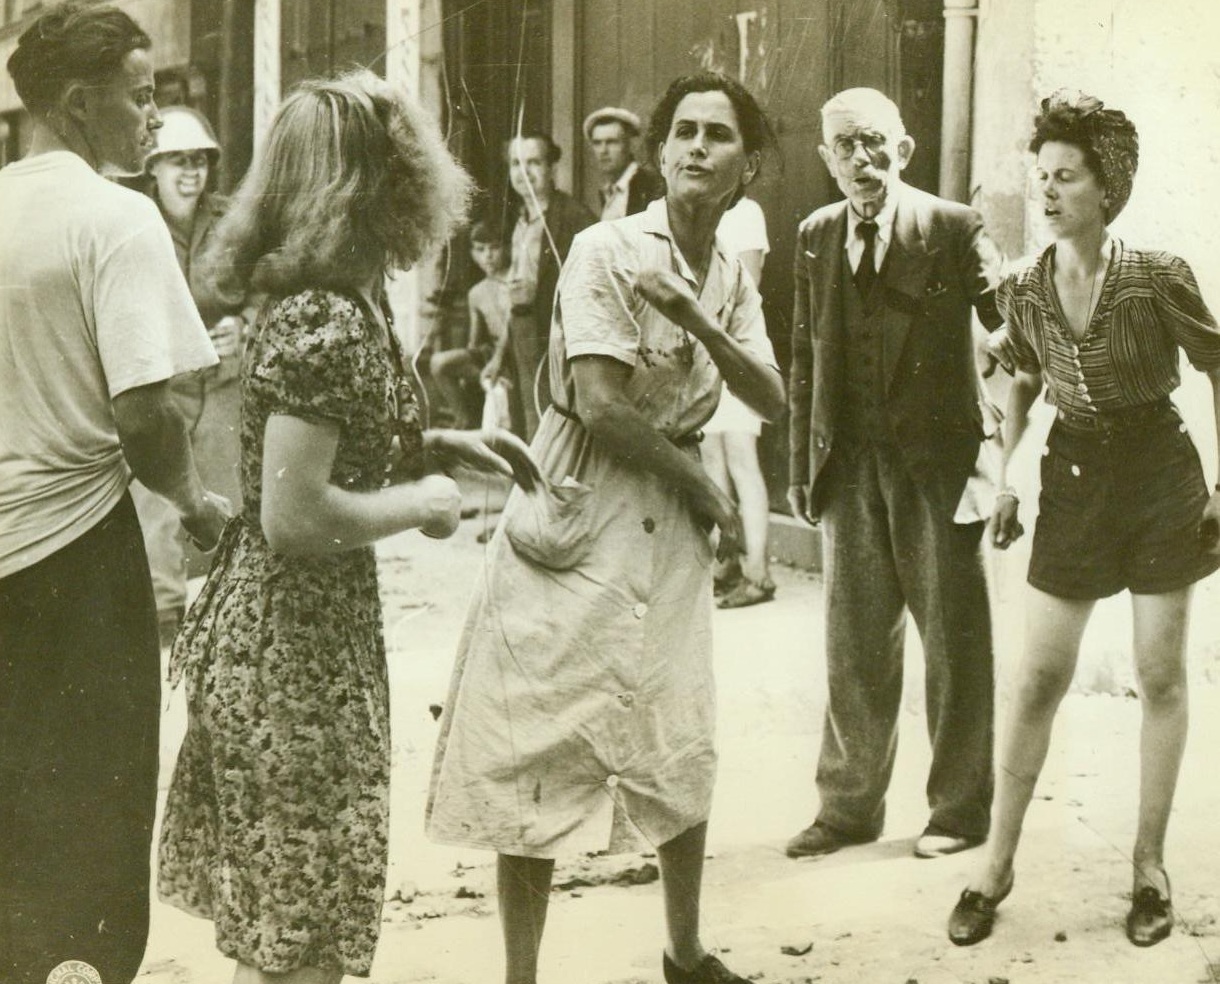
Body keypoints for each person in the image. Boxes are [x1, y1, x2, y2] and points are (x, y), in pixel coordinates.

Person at [155, 71, 538, 982]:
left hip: (295, 645)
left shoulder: (338, 302)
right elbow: (293, 515)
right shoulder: (325, 319)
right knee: (302, 934)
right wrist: (423, 502)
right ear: (382, 186)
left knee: (294, 924)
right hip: (293, 656)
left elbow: (334, 443)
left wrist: (441, 437)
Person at [427, 71, 786, 984]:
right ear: (661, 154)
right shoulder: (605, 247)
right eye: (686, 133)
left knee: (676, 730)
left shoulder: (729, 277)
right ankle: (520, 976)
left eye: (721, 135)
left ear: (748, 165)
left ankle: (686, 951)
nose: (699, 147)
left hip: (665, 522)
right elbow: (599, 403)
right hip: (579, 496)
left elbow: (771, 396)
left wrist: (697, 317)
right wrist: (703, 490)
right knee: (537, 743)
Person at [947, 90, 1220, 949]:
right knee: (1036, 677)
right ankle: (995, 864)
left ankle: (1148, 865)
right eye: (1043, 177)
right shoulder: (1025, 285)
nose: (1050, 192)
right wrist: (1005, 480)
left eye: (1067, 177)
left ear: (1109, 188)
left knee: (1161, 673)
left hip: (1159, 475)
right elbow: (1019, 378)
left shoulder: (1157, 276)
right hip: (1072, 474)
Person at [0, 3, 229, 981]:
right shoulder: (117, 217)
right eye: (141, 99)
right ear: (81, 103)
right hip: (77, 562)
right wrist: (198, 498)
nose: (153, 121)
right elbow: (144, 418)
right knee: (93, 822)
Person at [785, 87, 1004, 862]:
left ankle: (959, 812)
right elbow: (805, 356)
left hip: (938, 468)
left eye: (875, 143)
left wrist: (1004, 439)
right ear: (826, 158)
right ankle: (847, 811)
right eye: (844, 146)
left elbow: (1012, 322)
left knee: (955, 644)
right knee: (853, 647)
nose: (860, 160)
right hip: (849, 466)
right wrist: (800, 467)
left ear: (904, 151)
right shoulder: (815, 234)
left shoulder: (953, 227)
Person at [131, 104, 257, 644]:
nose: (191, 173)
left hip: (224, 381)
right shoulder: (131, 224)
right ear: (153, 168)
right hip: (161, 385)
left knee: (228, 499)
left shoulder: (233, 222)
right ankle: (163, 620)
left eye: (200, 161)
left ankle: (225, 617)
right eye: (177, 161)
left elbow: (266, 284)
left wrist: (246, 323)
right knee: (157, 499)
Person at [703, 193, 776, 607]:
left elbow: (747, 283)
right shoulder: (700, 210)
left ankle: (759, 573)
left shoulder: (748, 213)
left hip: (739, 345)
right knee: (711, 457)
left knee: (741, 456)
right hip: (706, 346)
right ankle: (723, 561)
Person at [503, 130, 597, 439]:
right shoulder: (518, 218)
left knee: (553, 412)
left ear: (552, 169)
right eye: (516, 164)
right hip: (521, 326)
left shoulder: (573, 217)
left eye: (534, 162)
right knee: (528, 410)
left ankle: (551, 481)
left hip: (554, 329)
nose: (523, 172)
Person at [429, 218, 513, 429]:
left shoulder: (514, 282)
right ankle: (463, 419)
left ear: (507, 248)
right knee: (439, 363)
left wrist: (497, 361)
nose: (488, 256)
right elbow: (474, 344)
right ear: (472, 253)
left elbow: (513, 327)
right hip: (490, 354)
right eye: (480, 249)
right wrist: (469, 374)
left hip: (515, 354)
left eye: (494, 247)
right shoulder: (476, 292)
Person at [583, 105, 666, 221]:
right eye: (597, 143)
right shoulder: (609, 191)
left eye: (611, 142)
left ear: (629, 145)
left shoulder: (649, 186)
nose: (603, 151)